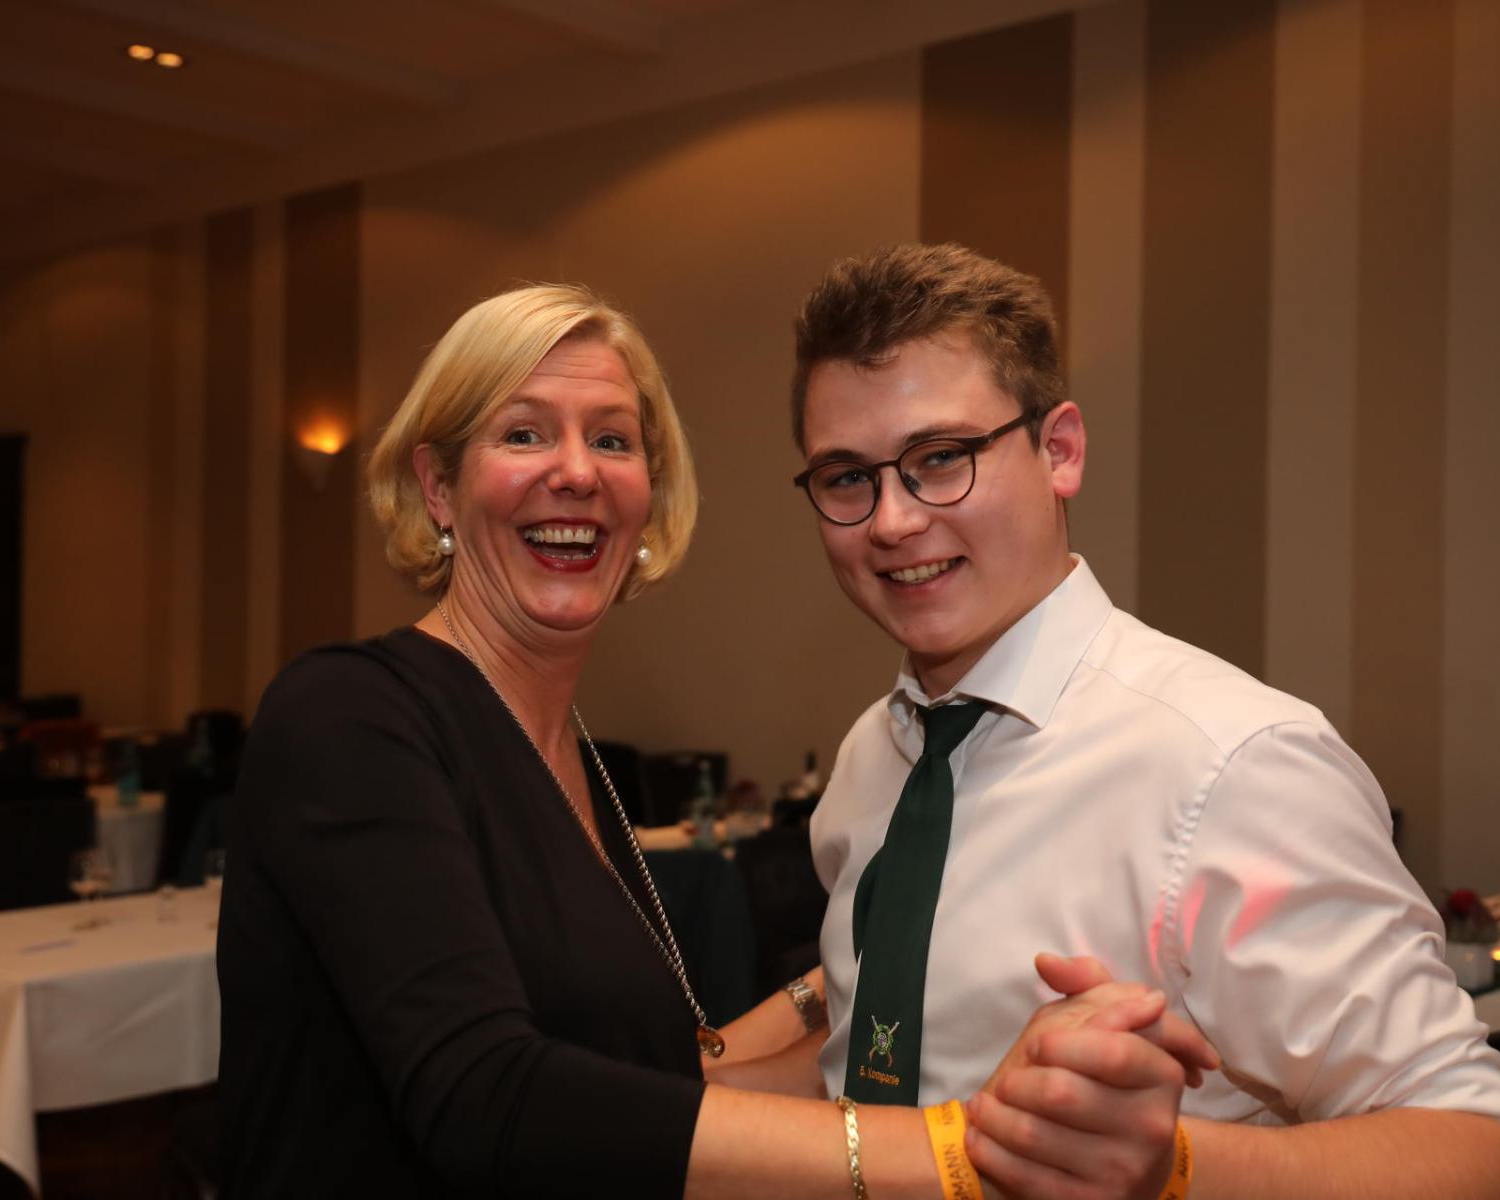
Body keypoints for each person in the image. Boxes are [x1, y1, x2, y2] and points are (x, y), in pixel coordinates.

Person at [216, 282, 1215, 1198]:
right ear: (438, 486)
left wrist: (916, 965)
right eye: (524, 434)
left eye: (613, 441)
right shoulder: (349, 716)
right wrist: (960, 1152)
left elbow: (658, 1082)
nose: (577, 472)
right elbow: (486, 1098)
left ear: (648, 496)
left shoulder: (570, 757)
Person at [786, 243, 1500, 1198]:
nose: (893, 521)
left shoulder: (1230, 764)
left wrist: (1174, 1168)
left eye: (941, 459)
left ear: (1060, 451)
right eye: (846, 478)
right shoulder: (874, 754)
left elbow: (1493, 1152)